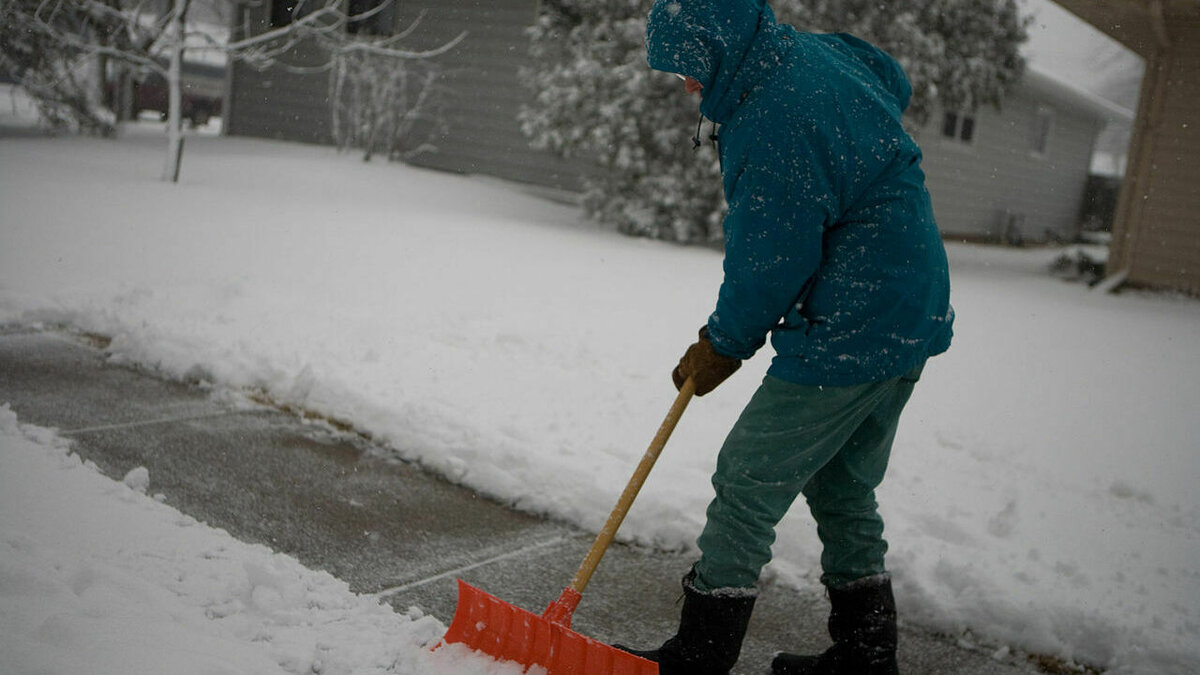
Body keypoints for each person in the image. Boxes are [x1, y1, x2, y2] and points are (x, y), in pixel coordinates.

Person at [620, 1, 955, 674]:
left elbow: (771, 258)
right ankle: (865, 654)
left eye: (690, 67)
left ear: (720, 48)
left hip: (854, 318)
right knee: (842, 485)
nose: (687, 85)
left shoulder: (773, 119)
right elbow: (887, 74)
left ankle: (700, 656)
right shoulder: (804, 54)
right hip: (912, 304)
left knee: (748, 477)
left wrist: (723, 343)